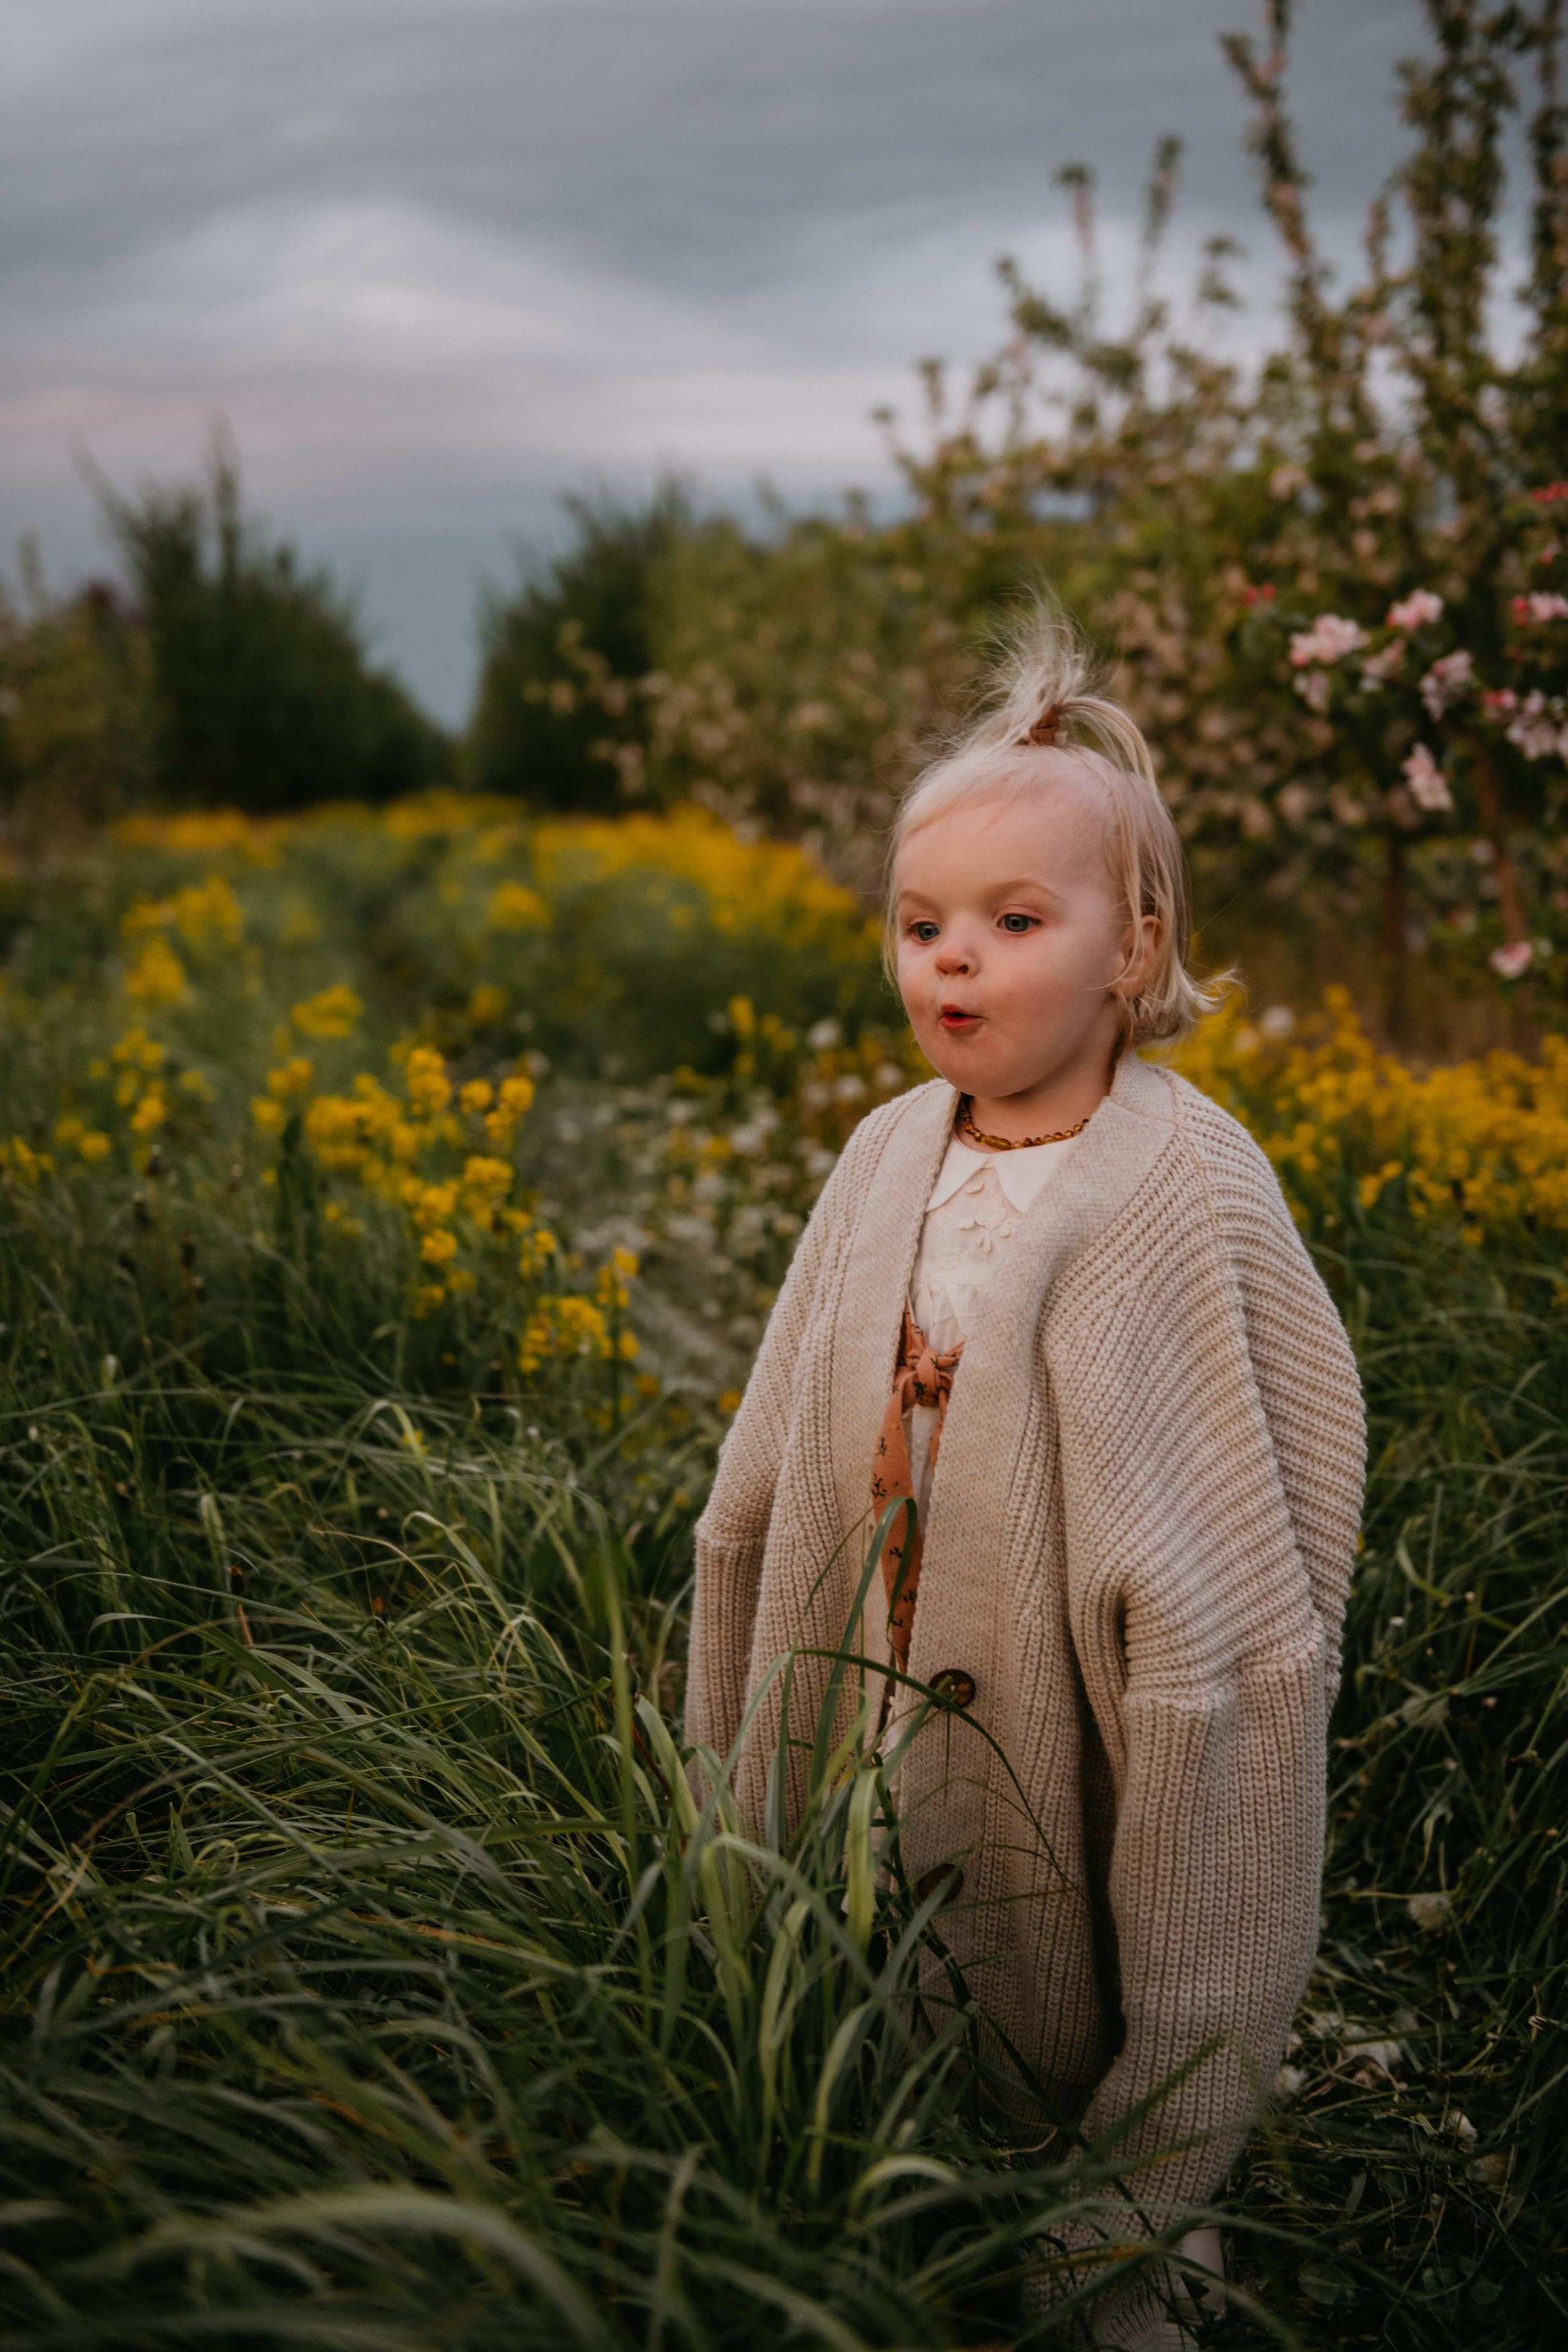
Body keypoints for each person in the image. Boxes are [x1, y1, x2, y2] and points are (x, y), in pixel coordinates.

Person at [684, 606, 1366, 2348]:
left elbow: (1240, 1583)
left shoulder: (1183, 1193)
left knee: (1072, 1946)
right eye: (922, 927)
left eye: (1011, 922)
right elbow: (761, 1488)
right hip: (881, 1662)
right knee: (881, 1974)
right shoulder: (882, 1153)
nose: (951, 965)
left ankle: (1132, 2216)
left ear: (1135, 949)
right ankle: (860, 2181)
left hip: (1078, 1698)